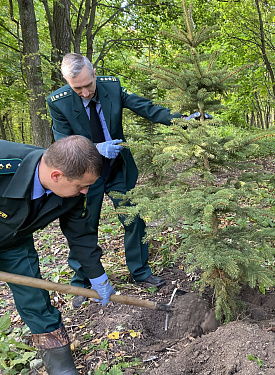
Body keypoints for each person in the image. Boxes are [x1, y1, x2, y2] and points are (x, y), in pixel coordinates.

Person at [46, 53, 186, 306]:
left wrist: (183, 120)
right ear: (67, 83)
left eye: (88, 85)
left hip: (118, 169)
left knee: (133, 219)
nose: (85, 92)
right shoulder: (59, 102)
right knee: (84, 225)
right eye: (77, 88)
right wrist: (97, 149)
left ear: (94, 75)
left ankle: (140, 272)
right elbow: (63, 143)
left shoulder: (112, 86)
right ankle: (82, 281)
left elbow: (147, 108)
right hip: (86, 175)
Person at [0, 135, 115, 374]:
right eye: (81, 186)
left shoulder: (71, 191)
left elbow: (79, 234)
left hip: (14, 244)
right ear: (56, 176)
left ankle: (62, 368)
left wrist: (97, 275)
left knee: (36, 301)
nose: (85, 192)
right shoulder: (5, 162)